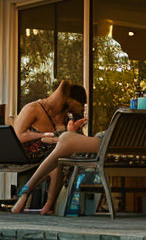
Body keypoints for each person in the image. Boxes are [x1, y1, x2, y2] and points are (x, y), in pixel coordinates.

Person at [10, 81, 89, 212]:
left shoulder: (66, 117)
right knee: (56, 160)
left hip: (56, 157)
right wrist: (42, 135)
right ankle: (46, 205)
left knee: (59, 160)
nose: (82, 108)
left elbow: (70, 141)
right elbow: (17, 137)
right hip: (32, 156)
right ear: (69, 99)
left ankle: (46, 204)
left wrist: (72, 131)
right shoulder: (33, 109)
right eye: (81, 104)